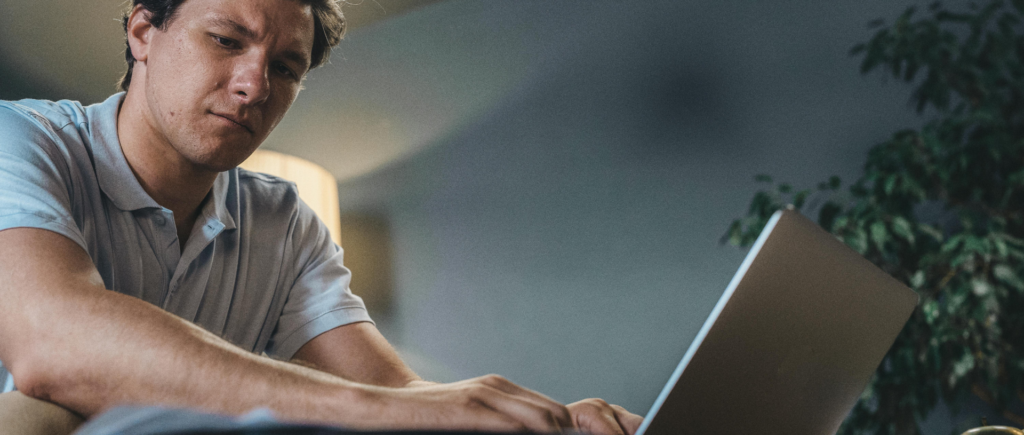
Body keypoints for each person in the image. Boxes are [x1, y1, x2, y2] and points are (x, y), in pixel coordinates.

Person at [0, 0, 644, 434]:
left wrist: (551, 420)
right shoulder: (21, 141)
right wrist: (368, 409)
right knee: (34, 415)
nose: (255, 86)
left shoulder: (281, 219)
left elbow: (395, 394)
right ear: (143, 32)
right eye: (226, 41)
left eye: (286, 68)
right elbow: (53, 345)